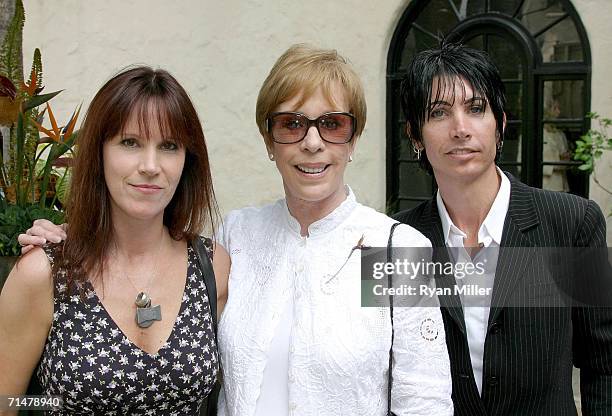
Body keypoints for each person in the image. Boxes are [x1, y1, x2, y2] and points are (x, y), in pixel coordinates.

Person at [17, 45, 454, 415]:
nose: (313, 142)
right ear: (268, 140)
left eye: (333, 124)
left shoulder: (395, 251)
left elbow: (426, 402)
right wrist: (66, 236)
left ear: (353, 139)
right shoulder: (239, 236)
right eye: (291, 124)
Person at [392, 42, 612, 415]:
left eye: (476, 109)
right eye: (439, 112)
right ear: (415, 135)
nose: (461, 129)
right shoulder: (396, 239)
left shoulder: (574, 222)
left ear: (501, 124)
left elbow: (605, 365)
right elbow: (382, 372)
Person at [0, 66, 230, 415]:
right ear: (99, 152)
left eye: (169, 146)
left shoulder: (210, 265)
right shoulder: (45, 273)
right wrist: (58, 403)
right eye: (130, 142)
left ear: (188, 160)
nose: (151, 165)